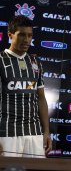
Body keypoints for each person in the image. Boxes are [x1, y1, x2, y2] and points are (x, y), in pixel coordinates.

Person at [0, 15, 52, 158]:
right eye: (22, 35)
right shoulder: (1, 61)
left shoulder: (35, 62)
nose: (27, 39)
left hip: (34, 133)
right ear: (10, 35)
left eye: (30, 35)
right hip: (6, 133)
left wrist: (46, 131)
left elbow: (41, 99)